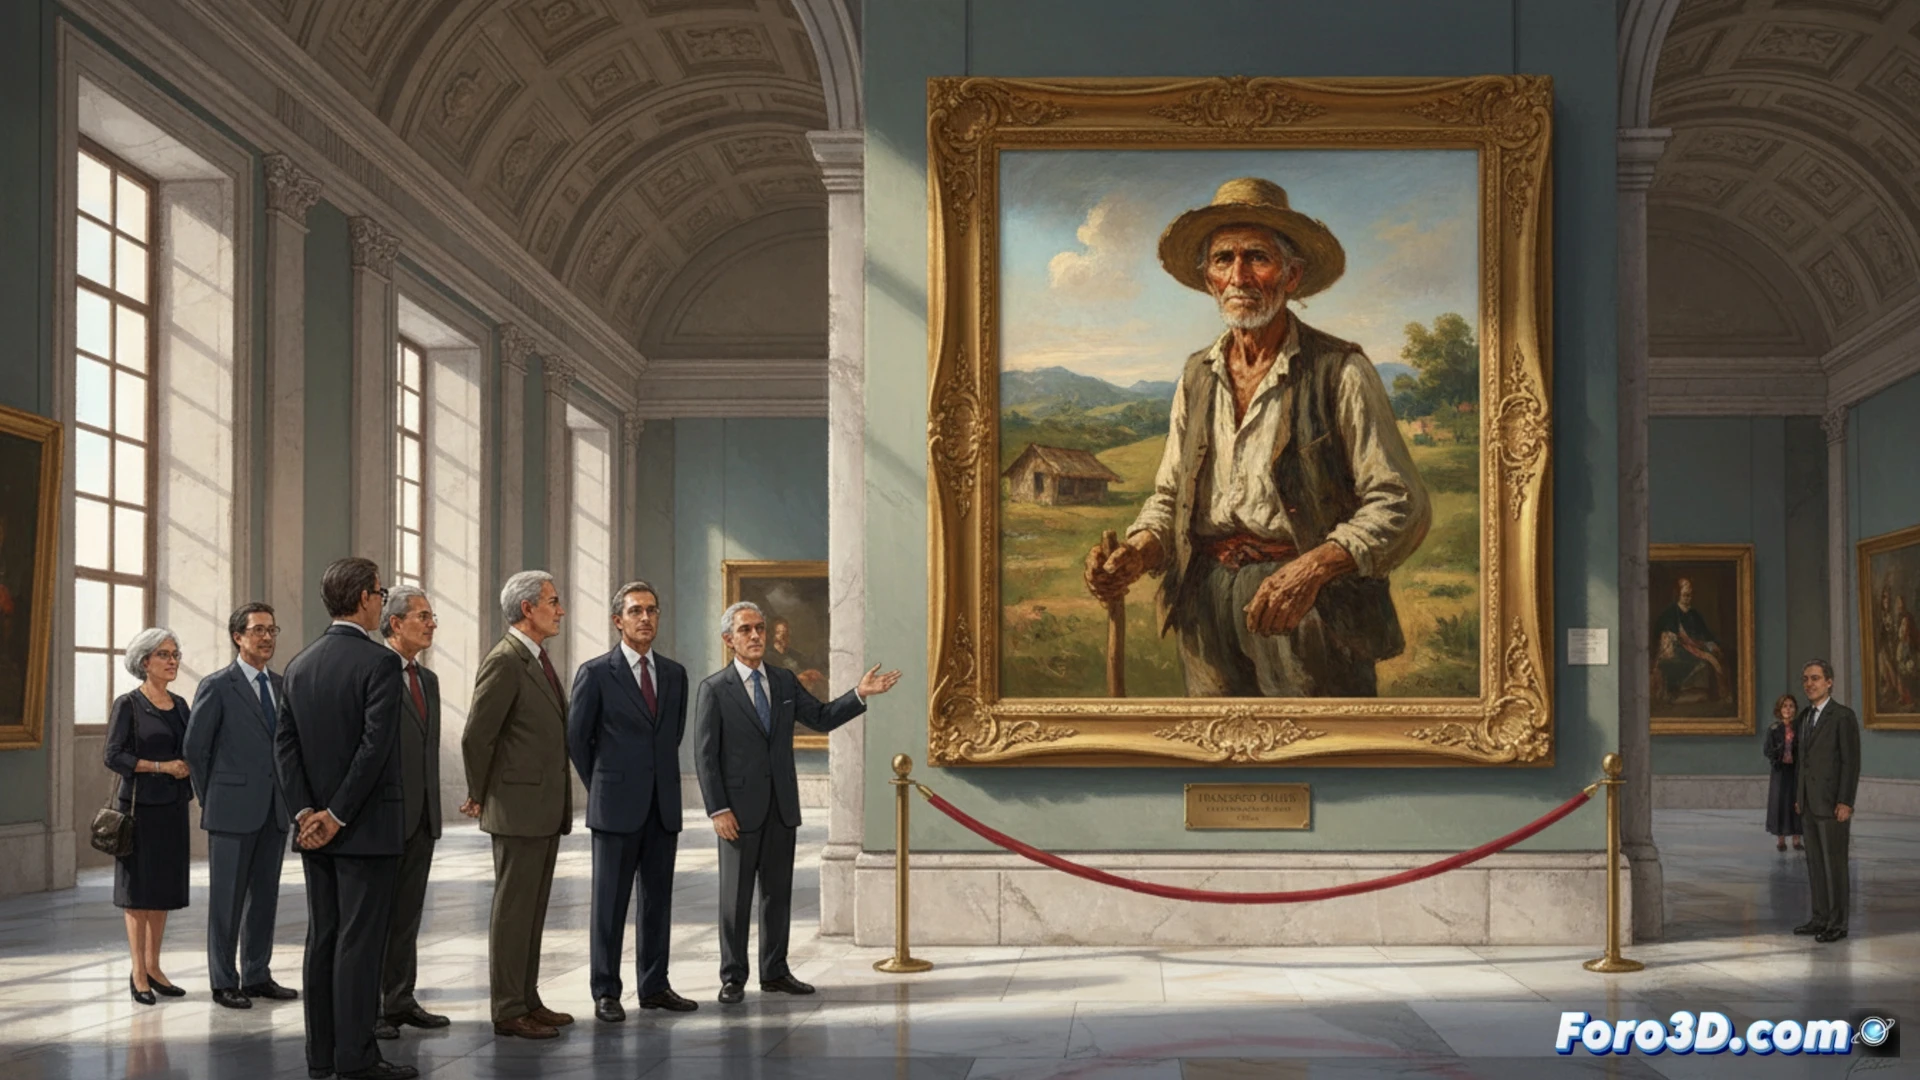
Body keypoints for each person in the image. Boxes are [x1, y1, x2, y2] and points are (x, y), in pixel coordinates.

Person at [1083, 177, 1431, 697]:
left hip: (1310, 607)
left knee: (1317, 741)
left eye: (1258, 258)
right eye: (1223, 259)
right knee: (1213, 739)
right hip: (1205, 605)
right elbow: (1171, 497)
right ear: (1208, 279)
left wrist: (1312, 569)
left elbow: (1400, 503)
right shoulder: (1197, 375)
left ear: (1292, 275)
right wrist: (1137, 551)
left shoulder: (1341, 370)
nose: (1239, 276)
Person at [694, 601, 900, 1004]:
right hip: (737, 812)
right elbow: (705, 756)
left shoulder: (784, 680)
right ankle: (733, 977)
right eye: (746, 630)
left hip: (781, 807)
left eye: (760, 628)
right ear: (729, 639)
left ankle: (775, 971)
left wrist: (858, 694)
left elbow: (821, 718)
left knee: (777, 894)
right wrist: (718, 809)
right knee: (735, 898)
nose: (756, 636)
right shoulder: (715, 689)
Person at [275, 557, 416, 1080]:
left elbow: (284, 746)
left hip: (315, 832)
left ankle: (321, 1055)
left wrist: (305, 813)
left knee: (324, 938)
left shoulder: (299, 665)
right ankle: (356, 1059)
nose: (382, 600)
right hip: (366, 828)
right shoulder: (380, 664)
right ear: (362, 599)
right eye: (380, 592)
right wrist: (336, 815)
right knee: (359, 944)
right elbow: (374, 749)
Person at [567, 580, 697, 1022]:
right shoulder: (595, 673)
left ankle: (655, 986)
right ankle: (606, 991)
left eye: (652, 610)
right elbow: (577, 740)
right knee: (609, 904)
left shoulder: (675, 675)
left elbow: (671, 736)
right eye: (636, 611)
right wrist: (604, 785)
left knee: (658, 902)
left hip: (662, 806)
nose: (645, 618)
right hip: (615, 807)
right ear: (617, 621)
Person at [461, 570, 574, 1039]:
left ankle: (528, 998)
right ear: (528, 609)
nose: (560, 610)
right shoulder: (505, 660)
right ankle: (508, 1008)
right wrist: (478, 793)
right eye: (553, 601)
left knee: (532, 910)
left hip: (541, 808)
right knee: (513, 912)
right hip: (517, 808)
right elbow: (476, 735)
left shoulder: (536, 658)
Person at [183, 603, 299, 1010]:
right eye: (258, 630)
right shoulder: (217, 686)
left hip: (274, 810)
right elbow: (195, 749)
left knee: (265, 898)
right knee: (227, 901)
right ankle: (223, 981)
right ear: (238, 636)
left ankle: (256, 974)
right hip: (230, 810)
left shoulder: (282, 686)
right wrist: (213, 796)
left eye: (272, 630)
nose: (267, 638)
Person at [374, 586, 450, 1039]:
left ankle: (400, 999)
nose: (432, 623)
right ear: (395, 623)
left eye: (432, 616)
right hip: (384, 817)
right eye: (423, 616)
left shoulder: (428, 681)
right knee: (377, 919)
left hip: (422, 817)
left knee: (407, 916)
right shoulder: (373, 673)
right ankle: (372, 1009)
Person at [105, 627, 194, 1005]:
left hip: (172, 808)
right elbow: (113, 755)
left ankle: (155, 967)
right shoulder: (128, 704)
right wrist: (160, 766)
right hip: (139, 810)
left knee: (162, 892)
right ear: (144, 662)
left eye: (175, 654)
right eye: (164, 655)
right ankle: (138, 973)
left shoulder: (181, 705)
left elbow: (191, 748)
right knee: (138, 894)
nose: (172, 661)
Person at [1793, 659, 1860, 944]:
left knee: (1835, 865)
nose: (1809, 684)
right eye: (1806, 679)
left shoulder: (1843, 716)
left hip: (1833, 803)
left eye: (1815, 678)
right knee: (1815, 864)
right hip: (1809, 803)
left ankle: (1837, 923)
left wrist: (1845, 801)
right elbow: (1802, 762)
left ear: (1829, 682)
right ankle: (1819, 918)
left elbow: (1850, 762)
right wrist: (1799, 797)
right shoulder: (1804, 717)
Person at [1652, 578, 1728, 705]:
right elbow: (1661, 632)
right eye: (1685, 595)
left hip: (1697, 647)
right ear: (1678, 594)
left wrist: (1712, 644)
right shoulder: (1670, 612)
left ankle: (1709, 695)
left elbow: (1706, 633)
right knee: (1704, 663)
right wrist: (1669, 637)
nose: (1688, 598)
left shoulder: (1694, 613)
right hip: (1678, 649)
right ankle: (1684, 694)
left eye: (1690, 595)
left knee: (1716, 657)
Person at [1761, 692, 1802, 853]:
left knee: (1796, 801)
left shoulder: (1800, 728)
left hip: (1795, 770)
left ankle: (1797, 839)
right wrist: (1777, 756)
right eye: (1785, 706)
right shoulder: (1774, 729)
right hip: (1780, 770)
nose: (1788, 709)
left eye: (1791, 706)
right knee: (1780, 802)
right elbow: (1767, 749)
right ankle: (1781, 839)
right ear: (1779, 709)